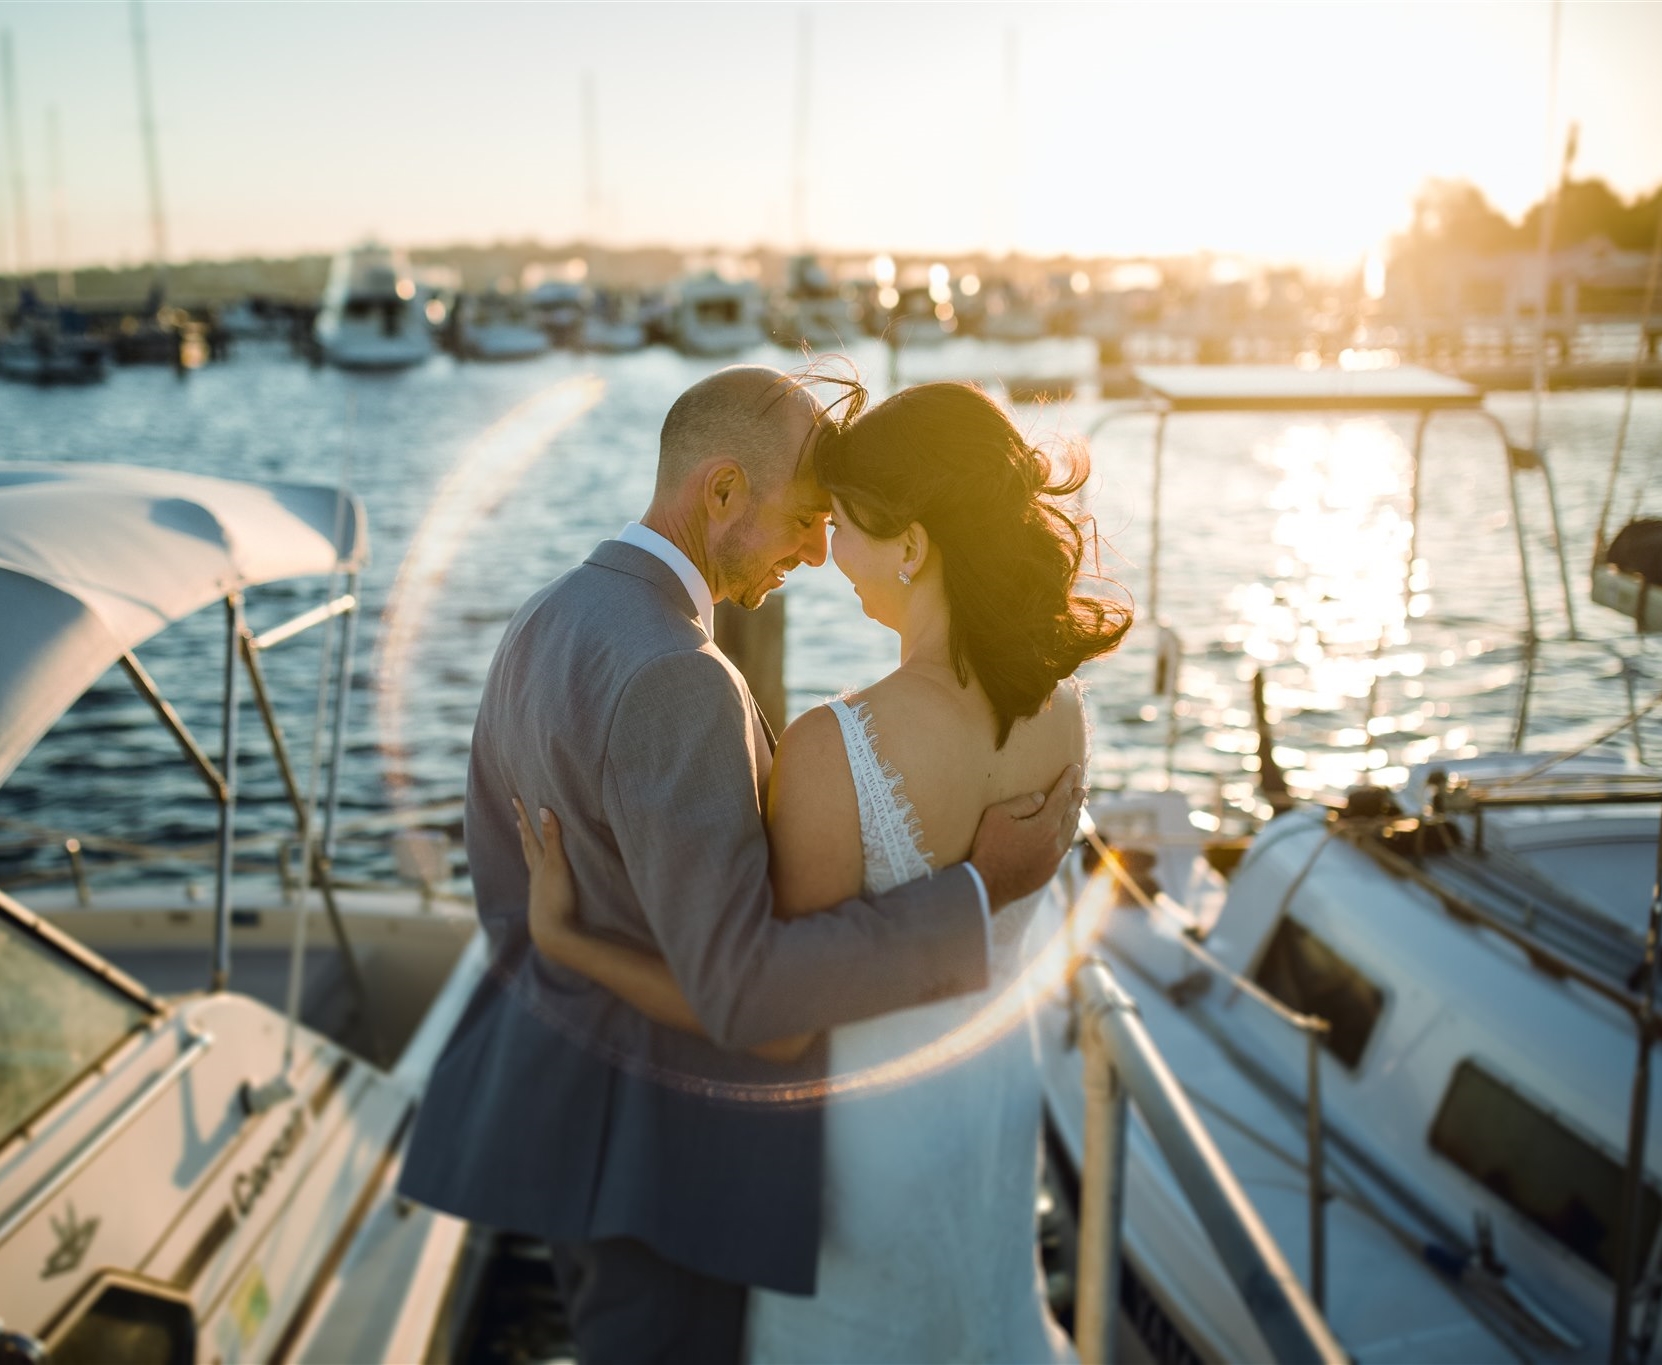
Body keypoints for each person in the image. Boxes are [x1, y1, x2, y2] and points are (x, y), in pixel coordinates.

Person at [398, 364, 1085, 1364]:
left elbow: (515, 874)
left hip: (568, 1124)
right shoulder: (682, 676)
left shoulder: (546, 616)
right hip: (665, 1164)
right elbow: (747, 990)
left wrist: (560, 945)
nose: (815, 552)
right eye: (808, 517)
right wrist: (982, 890)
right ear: (721, 493)